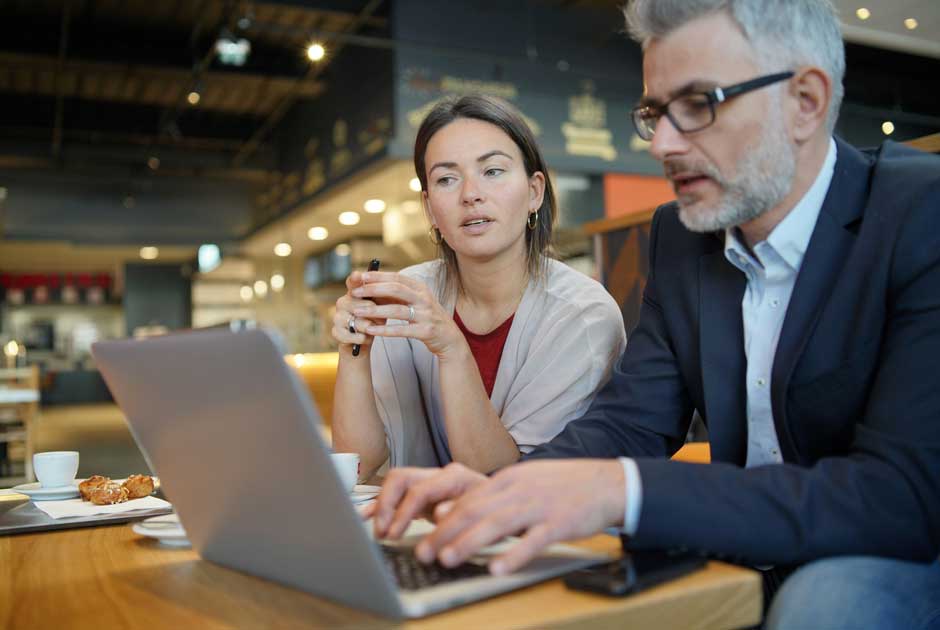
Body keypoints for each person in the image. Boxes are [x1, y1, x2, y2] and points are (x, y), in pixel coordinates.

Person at [366, 1, 940, 627]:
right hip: (746, 542)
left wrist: (620, 491)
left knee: (825, 606)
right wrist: (505, 490)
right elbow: (631, 421)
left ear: (805, 101)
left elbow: (901, 496)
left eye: (698, 105)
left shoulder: (920, 213)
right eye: (654, 113)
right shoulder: (683, 235)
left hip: (898, 547)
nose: (663, 144)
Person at [331, 95, 626, 480]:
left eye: (493, 171)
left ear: (535, 191)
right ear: (430, 209)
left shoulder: (582, 316)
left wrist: (451, 347)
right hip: (415, 535)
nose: (470, 194)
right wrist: (354, 351)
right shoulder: (407, 298)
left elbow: (500, 478)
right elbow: (357, 464)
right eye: (446, 179)